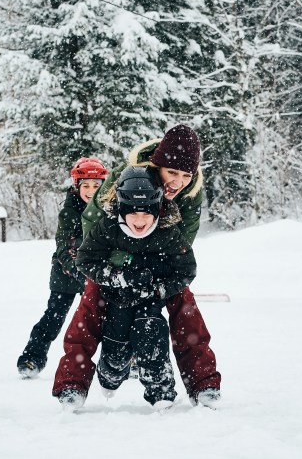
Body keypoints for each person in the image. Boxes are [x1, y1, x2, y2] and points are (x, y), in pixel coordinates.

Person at [53, 124, 222, 408]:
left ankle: (203, 384)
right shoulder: (124, 178)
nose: (177, 182)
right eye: (172, 173)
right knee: (89, 309)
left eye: (185, 175)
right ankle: (72, 384)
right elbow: (92, 223)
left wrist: (158, 277)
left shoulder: (191, 194)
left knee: (185, 308)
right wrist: (123, 268)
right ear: (157, 165)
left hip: (160, 259)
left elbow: (184, 244)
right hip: (112, 257)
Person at [62, 166, 196, 410]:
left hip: (150, 298)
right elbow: (86, 260)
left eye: (147, 214)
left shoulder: (167, 232)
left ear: (157, 209)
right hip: (116, 300)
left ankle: (161, 391)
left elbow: (186, 270)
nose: (140, 221)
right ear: (122, 209)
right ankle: (109, 375)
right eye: (133, 214)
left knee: (153, 333)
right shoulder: (108, 227)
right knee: (116, 347)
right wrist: (117, 277)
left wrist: (159, 290)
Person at [16, 157, 108, 378]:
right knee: (54, 316)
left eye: (96, 186)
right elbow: (64, 247)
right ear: (77, 186)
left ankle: (124, 360)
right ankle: (32, 357)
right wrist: (79, 272)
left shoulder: (108, 208)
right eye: (85, 185)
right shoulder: (69, 211)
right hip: (66, 274)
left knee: (112, 317)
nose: (90, 191)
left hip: (97, 273)